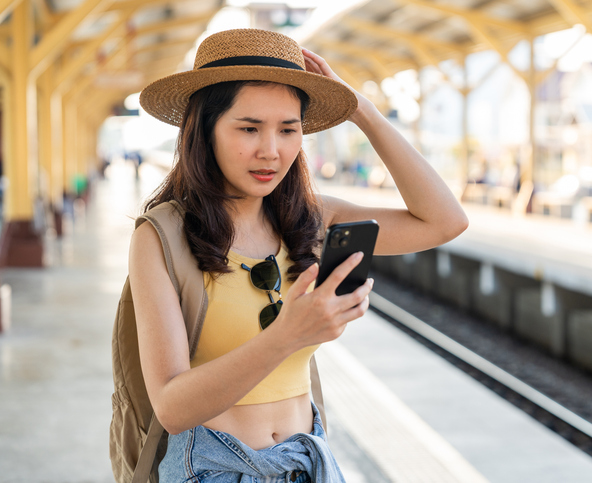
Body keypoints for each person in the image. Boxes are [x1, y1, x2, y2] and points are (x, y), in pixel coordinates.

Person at [131, 28, 468, 482]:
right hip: (214, 469)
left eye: (289, 129)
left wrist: (361, 110)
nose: (271, 151)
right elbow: (172, 408)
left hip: (309, 464)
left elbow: (444, 221)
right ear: (204, 129)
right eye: (249, 128)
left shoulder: (311, 219)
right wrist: (287, 334)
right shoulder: (161, 236)